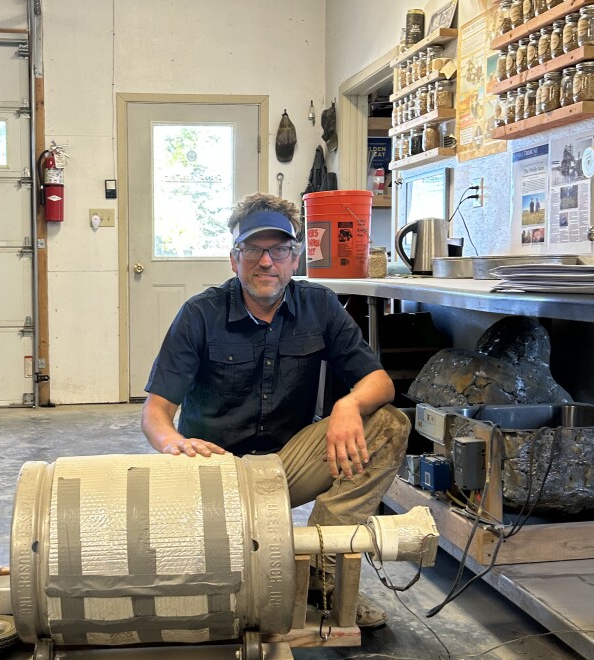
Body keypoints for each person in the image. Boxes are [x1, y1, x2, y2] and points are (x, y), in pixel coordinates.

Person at [141, 192, 411, 629]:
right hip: (214, 474)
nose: (266, 262)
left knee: (387, 424)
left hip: (284, 469)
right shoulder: (200, 314)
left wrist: (347, 404)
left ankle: (325, 575)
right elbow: (155, 412)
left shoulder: (319, 306)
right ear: (234, 258)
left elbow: (379, 382)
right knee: (204, 593)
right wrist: (173, 443)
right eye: (253, 250)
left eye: (279, 250)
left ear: (295, 257)